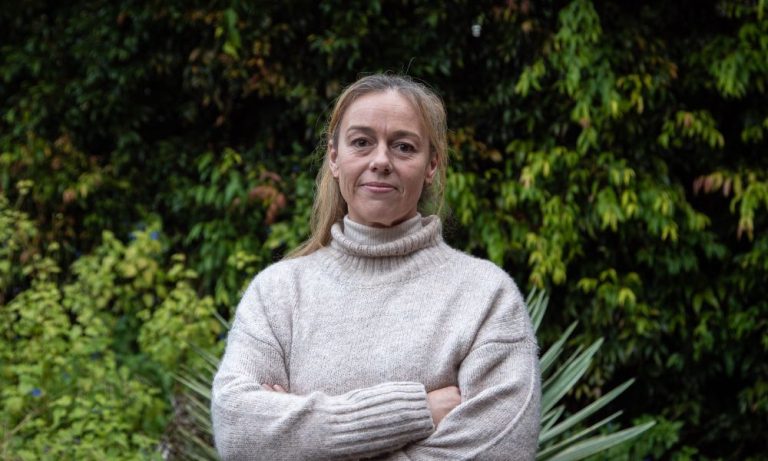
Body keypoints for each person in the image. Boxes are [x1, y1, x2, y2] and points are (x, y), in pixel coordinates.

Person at [211, 74, 541, 460]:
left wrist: (301, 440)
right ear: (334, 158)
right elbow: (238, 431)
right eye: (362, 142)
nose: (381, 161)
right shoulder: (278, 293)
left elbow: (500, 452)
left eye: (403, 147)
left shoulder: (485, 297)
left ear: (431, 164)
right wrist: (411, 412)